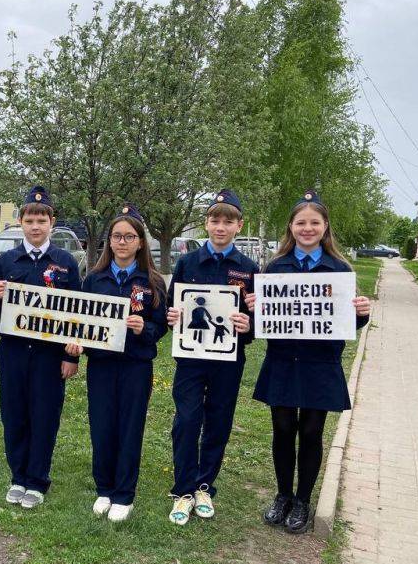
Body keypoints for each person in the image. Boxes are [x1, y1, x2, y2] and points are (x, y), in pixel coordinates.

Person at [247, 189, 371, 534]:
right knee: (283, 430)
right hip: (284, 360)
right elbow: (263, 322)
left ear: (325, 226)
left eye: (314, 222)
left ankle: (303, 499)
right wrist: (255, 310)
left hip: (320, 364)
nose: (307, 228)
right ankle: (283, 495)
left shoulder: (339, 269)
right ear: (291, 226)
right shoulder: (275, 268)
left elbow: (347, 320)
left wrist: (362, 313)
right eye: (300, 222)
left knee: (312, 431)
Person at [66, 204, 167, 522]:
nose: (122, 242)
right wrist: (75, 347)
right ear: (109, 242)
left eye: (129, 236)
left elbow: (161, 326)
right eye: (116, 236)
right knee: (102, 426)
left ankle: (124, 494)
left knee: (130, 428)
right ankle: (104, 490)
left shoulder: (151, 281)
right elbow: (80, 320)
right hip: (102, 367)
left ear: (140, 242)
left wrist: (144, 329)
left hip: (136, 366)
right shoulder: (94, 280)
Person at [165, 190, 258, 525]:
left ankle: (204, 484)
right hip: (191, 360)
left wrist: (249, 325)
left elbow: (257, 322)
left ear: (238, 225)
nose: (220, 227)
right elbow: (171, 309)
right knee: (187, 420)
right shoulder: (188, 263)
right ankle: (183, 489)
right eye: (215, 220)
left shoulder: (249, 269)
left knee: (218, 421)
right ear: (206, 223)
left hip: (229, 362)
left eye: (228, 221)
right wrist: (172, 316)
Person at [0, 186, 81, 509]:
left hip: (50, 355)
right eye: (30, 219)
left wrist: (71, 356)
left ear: (52, 222)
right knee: (14, 414)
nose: (36, 225)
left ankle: (37, 480)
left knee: (44, 415)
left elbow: (77, 313)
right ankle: (18, 477)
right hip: (12, 351)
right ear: (21, 222)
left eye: (42, 219)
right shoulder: (6, 260)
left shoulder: (66, 262)